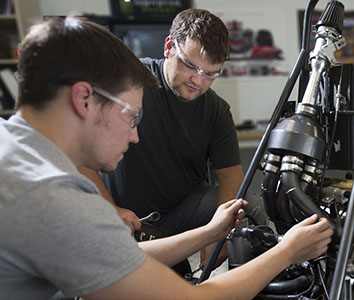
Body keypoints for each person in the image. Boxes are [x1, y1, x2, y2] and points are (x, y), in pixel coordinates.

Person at [0, 16, 333, 299]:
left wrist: (210, 233)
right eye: (131, 116)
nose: (134, 135)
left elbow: (123, 255)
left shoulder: (18, 155)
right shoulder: (51, 195)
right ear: (84, 99)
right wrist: (287, 252)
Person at [80, 8, 266, 266]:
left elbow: (232, 177)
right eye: (189, 65)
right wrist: (109, 209)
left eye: (210, 73)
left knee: (251, 205)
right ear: (168, 47)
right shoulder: (126, 81)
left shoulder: (216, 111)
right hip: (126, 215)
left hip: (182, 212)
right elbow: (79, 157)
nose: (198, 81)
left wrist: (220, 230)